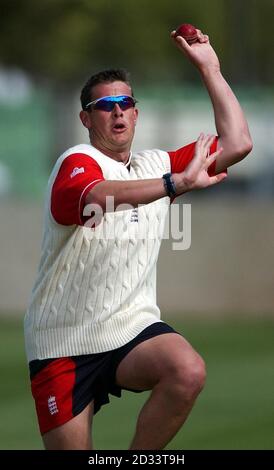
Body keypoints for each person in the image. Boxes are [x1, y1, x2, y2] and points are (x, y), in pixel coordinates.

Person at [24, 27, 252, 450]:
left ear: (136, 112)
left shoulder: (154, 163)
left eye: (125, 103)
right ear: (85, 119)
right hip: (63, 341)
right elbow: (96, 195)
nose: (118, 112)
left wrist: (211, 69)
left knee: (187, 371)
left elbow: (238, 143)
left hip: (131, 327)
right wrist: (171, 183)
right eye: (105, 105)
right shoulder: (77, 160)